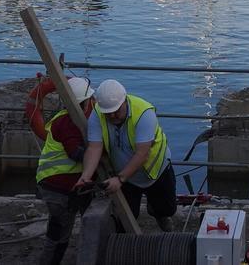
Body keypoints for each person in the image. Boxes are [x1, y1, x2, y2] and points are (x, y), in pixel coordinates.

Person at [76, 80, 176, 232]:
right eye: (108, 113)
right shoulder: (98, 114)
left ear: (125, 101)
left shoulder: (144, 113)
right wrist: (86, 176)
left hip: (156, 171)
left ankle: (158, 212)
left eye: (117, 111)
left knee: (167, 209)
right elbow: (94, 148)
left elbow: (142, 153)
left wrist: (120, 179)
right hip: (126, 176)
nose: (113, 116)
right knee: (125, 218)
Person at [36, 77, 96, 265]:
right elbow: (75, 153)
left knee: (57, 230)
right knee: (59, 235)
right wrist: (99, 152)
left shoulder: (64, 118)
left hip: (53, 184)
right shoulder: (70, 122)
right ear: (85, 102)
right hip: (60, 187)